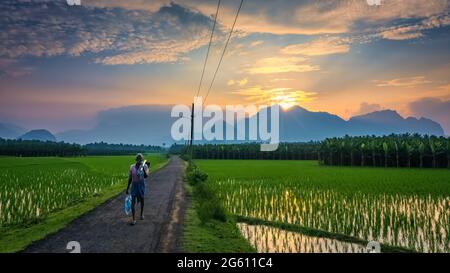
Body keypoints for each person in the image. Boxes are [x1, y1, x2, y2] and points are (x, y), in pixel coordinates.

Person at [126, 153, 150, 225]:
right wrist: (127, 188)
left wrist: (143, 169)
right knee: (133, 201)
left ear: (142, 160)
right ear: (136, 160)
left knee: (142, 199)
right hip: (134, 185)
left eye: (140, 159)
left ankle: (141, 214)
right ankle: (133, 219)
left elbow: (146, 176)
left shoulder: (144, 166)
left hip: (141, 185)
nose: (139, 160)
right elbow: (130, 178)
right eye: (138, 159)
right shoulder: (132, 167)